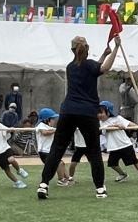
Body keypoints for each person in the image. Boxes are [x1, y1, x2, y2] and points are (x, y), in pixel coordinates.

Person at [37, 34, 119, 201]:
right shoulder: (90, 65)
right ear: (87, 49)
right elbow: (103, 68)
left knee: (57, 149)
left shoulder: (70, 67)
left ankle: (43, 185)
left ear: (72, 50)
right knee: (94, 151)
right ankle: (100, 189)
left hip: (68, 110)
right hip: (87, 112)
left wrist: (104, 55)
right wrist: (116, 48)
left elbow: (94, 68)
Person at [98, 100, 138, 184]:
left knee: (134, 161)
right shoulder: (101, 123)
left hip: (125, 144)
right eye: (98, 113)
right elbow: (106, 129)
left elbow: (129, 124)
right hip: (113, 147)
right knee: (112, 164)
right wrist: (116, 125)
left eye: (101, 112)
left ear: (108, 112)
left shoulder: (118, 118)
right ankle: (122, 174)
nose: (99, 115)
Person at [35, 109, 73, 186]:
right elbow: (45, 133)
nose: (54, 121)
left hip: (50, 150)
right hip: (44, 151)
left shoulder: (50, 127)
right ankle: (61, 180)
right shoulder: (41, 125)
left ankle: (68, 178)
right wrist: (56, 130)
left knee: (61, 163)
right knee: (59, 163)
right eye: (52, 119)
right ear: (46, 119)